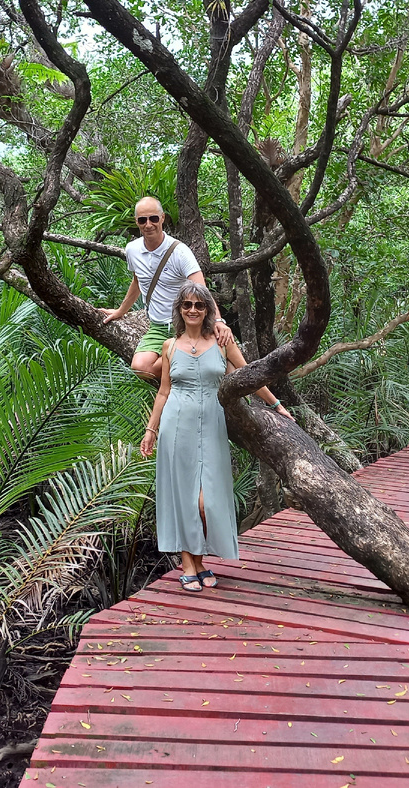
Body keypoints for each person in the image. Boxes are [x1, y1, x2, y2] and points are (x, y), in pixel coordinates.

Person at [139, 281, 294, 592]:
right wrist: (151, 430)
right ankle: (191, 564)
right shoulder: (169, 347)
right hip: (176, 425)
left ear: (208, 310)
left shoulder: (222, 342)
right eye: (187, 305)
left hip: (211, 424)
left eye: (199, 305)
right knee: (183, 496)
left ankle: (198, 560)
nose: (193, 310)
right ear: (179, 310)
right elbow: (163, 391)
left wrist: (276, 405)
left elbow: (249, 375)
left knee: (205, 501)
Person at [100, 196, 231, 381]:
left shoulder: (180, 252)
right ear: (136, 222)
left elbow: (201, 288)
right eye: (142, 220)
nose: (148, 224)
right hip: (159, 326)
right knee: (141, 368)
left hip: (188, 324)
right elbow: (138, 281)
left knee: (223, 364)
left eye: (153, 218)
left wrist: (218, 321)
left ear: (162, 218)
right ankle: (184, 360)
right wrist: (121, 311)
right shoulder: (132, 250)